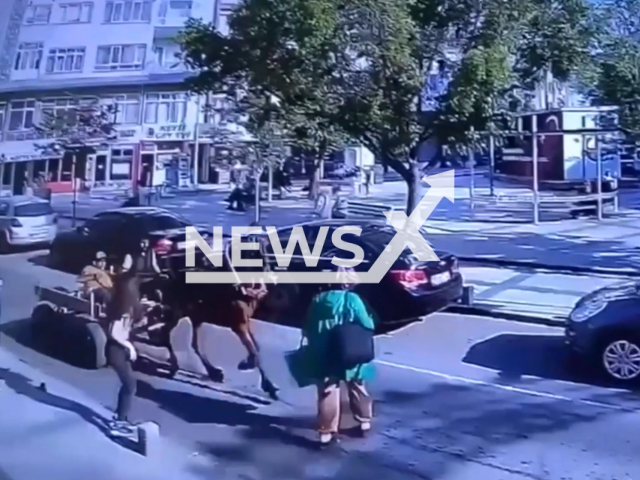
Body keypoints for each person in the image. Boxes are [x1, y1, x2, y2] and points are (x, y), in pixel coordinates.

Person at [294, 266, 376, 447]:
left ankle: (326, 432)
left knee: (328, 390)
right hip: (350, 350)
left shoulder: (319, 299)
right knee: (357, 385)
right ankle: (364, 422)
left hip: (324, 352)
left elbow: (307, 326)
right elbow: (368, 324)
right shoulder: (354, 299)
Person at [105, 270, 143, 437]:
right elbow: (113, 331)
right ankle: (118, 422)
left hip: (120, 350)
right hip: (115, 350)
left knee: (129, 385)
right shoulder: (122, 306)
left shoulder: (125, 303)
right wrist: (129, 346)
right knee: (129, 384)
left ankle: (121, 418)